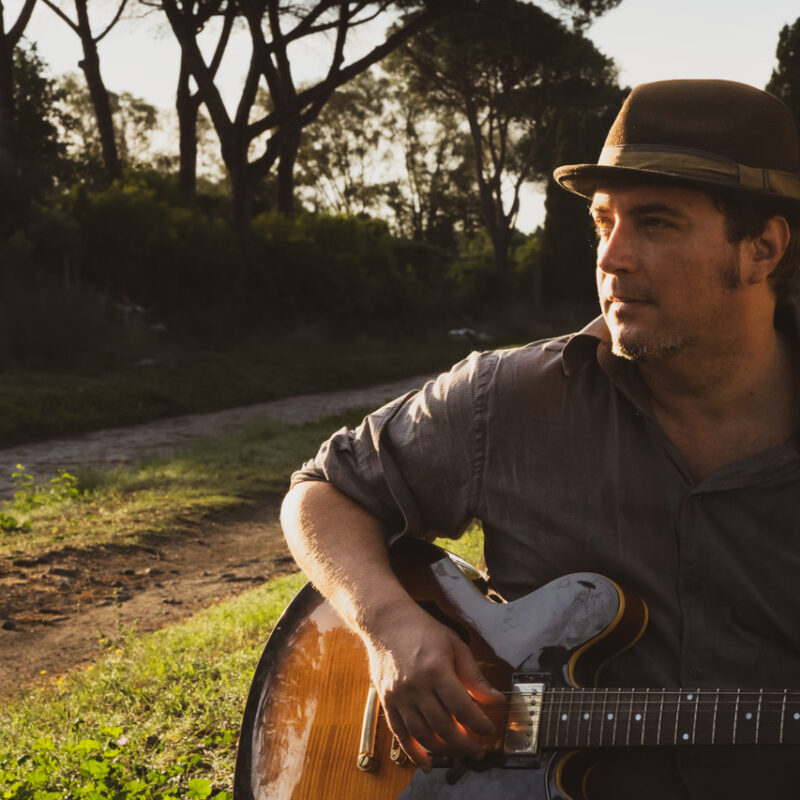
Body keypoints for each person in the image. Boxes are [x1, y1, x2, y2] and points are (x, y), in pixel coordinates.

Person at [280, 79, 800, 798]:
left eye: (655, 224)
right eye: (603, 223)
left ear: (762, 249)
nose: (612, 258)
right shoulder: (509, 397)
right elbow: (322, 494)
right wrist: (391, 626)